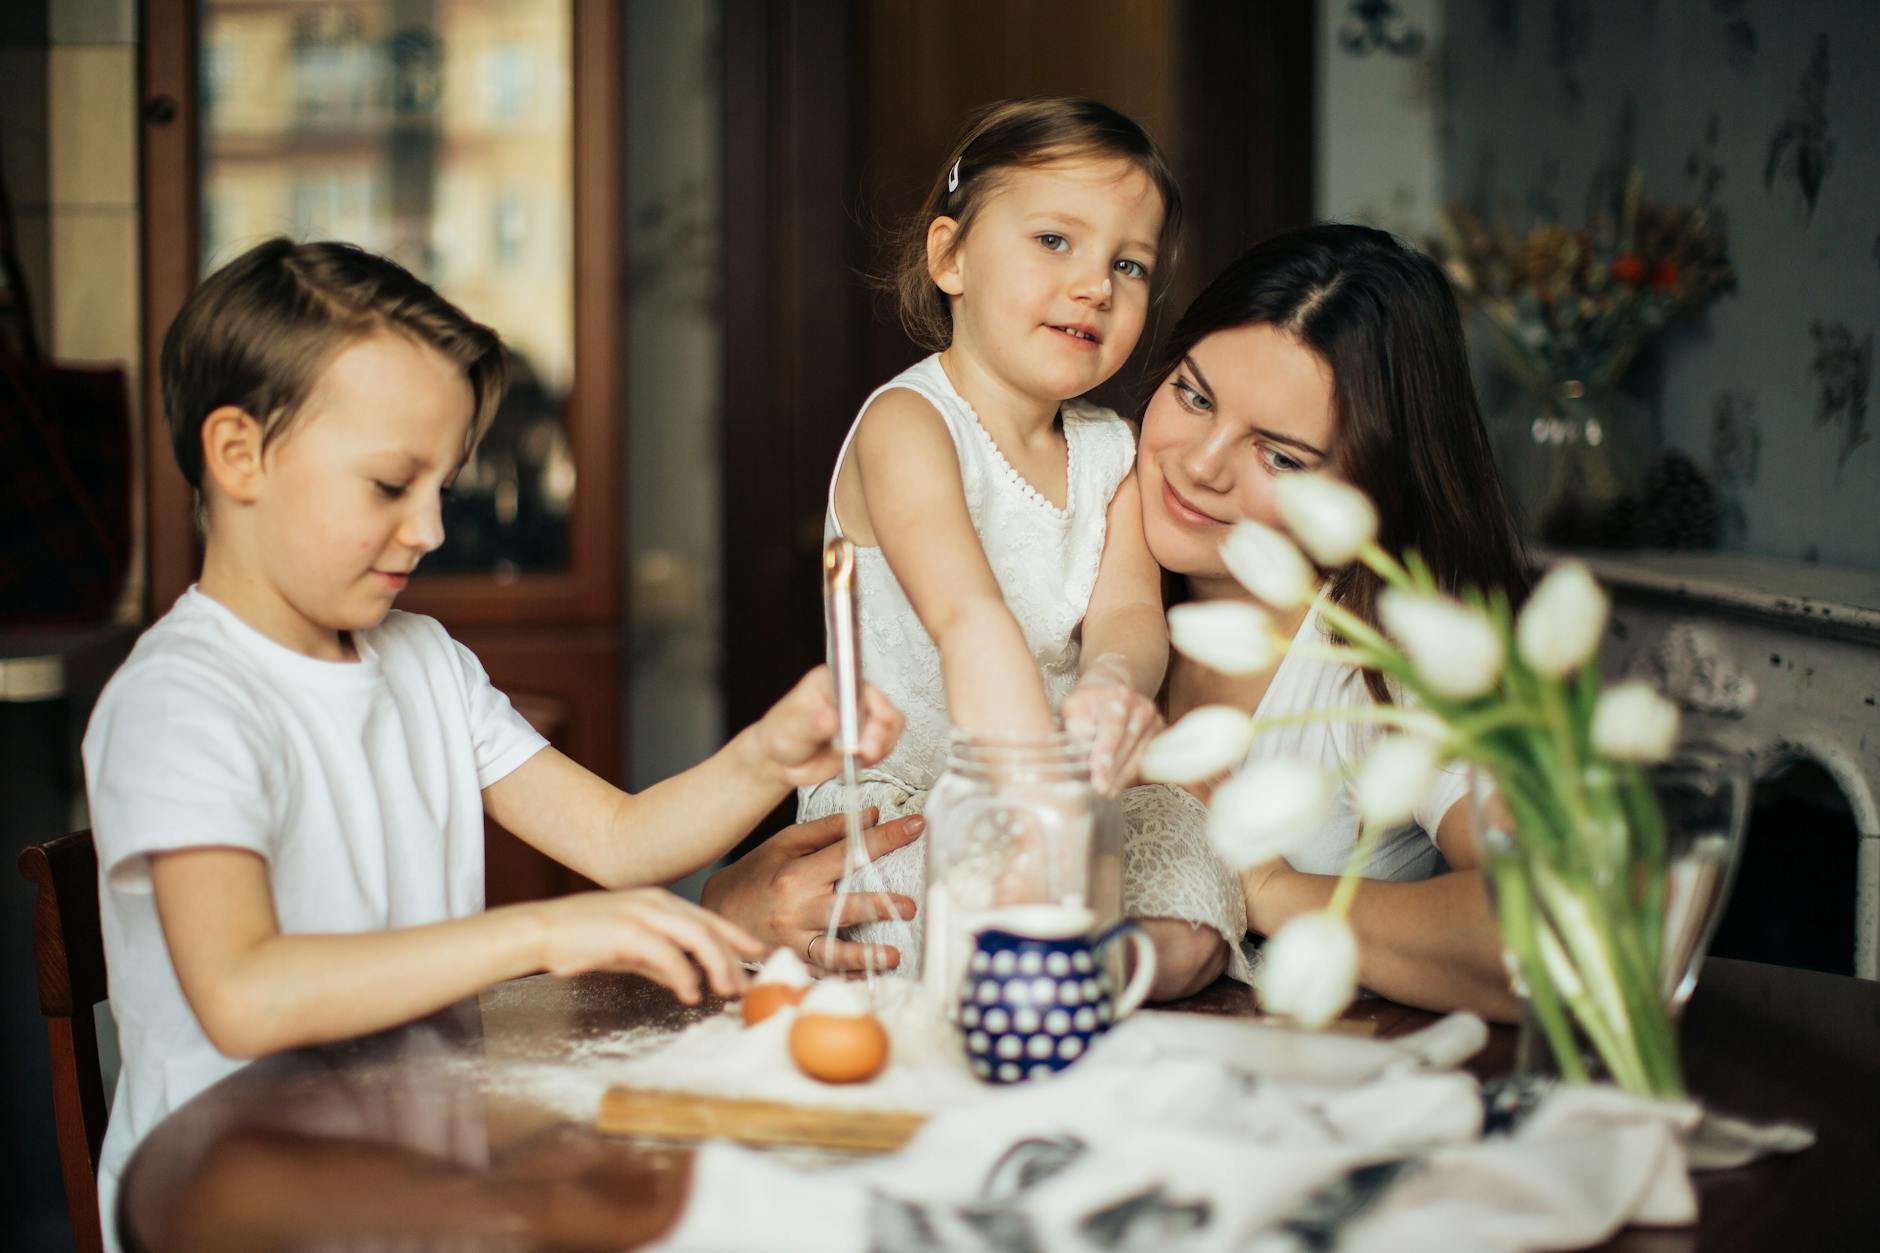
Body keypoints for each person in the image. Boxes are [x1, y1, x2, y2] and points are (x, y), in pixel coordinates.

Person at [81, 237, 902, 1247]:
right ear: (239, 454)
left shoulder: (420, 658)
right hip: (237, 1197)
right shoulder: (184, 699)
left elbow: (620, 837)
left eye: (444, 486)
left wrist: (766, 757)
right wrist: (538, 935)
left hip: (410, 1160)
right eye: (389, 485)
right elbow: (244, 995)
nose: (428, 527)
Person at [795, 97, 1180, 975]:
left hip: (1058, 795)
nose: (1096, 285)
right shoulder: (907, 424)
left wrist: (1115, 687)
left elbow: (1130, 616)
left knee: (1191, 851)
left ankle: (1090, 965)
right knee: (933, 908)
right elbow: (969, 618)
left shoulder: (1111, 451)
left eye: (1130, 263)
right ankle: (1058, 964)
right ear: (951, 255)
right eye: (1055, 240)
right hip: (916, 796)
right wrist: (1035, 800)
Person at [1132, 223, 1529, 1017]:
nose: (1200, 466)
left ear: (1370, 490)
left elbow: (1553, 934)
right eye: (1193, 394)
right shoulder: (1082, 551)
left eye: (1279, 456)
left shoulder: (1400, 652)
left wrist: (1266, 885)